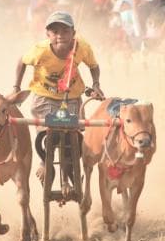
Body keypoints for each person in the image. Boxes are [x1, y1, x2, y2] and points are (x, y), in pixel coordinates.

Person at [13, 11, 104, 180]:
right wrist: (16, 87)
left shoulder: (82, 48)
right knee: (49, 131)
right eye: (55, 32)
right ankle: (44, 162)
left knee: (74, 135)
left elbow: (94, 66)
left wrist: (96, 84)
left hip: (72, 95)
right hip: (44, 96)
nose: (60, 36)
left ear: (73, 33)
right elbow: (22, 62)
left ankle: (70, 170)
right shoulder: (39, 51)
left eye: (65, 31)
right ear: (48, 34)